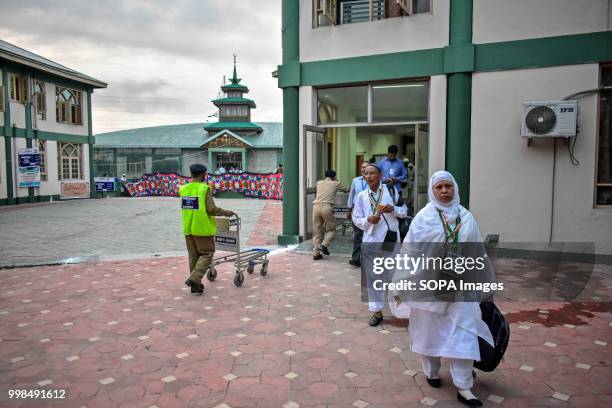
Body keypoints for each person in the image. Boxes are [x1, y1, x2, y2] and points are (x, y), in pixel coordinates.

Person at [389, 170, 494, 407]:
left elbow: (477, 252)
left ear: (455, 189)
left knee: (464, 332)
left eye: (448, 186)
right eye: (439, 187)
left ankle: (465, 387)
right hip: (429, 287)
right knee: (430, 332)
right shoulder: (423, 218)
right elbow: (410, 252)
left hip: (460, 287)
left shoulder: (467, 217)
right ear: (432, 191)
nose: (444, 191)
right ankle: (432, 371)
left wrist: (481, 284)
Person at [352, 164, 407, 326]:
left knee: (394, 274)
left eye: (372, 173)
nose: (369, 176)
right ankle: (377, 312)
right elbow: (356, 218)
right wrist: (367, 220)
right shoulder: (361, 196)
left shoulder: (391, 191)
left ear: (380, 174)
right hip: (371, 240)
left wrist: (393, 209)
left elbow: (404, 211)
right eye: (366, 174)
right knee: (373, 277)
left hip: (390, 239)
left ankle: (401, 306)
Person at [179, 164, 235, 294]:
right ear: (202, 174)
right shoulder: (205, 189)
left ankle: (195, 286)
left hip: (188, 228)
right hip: (202, 228)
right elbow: (211, 209)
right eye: (205, 174)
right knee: (207, 253)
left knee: (193, 257)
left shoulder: (183, 188)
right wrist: (226, 212)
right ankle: (194, 279)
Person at [312, 169, 349, 260]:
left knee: (317, 230)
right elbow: (346, 190)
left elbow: (317, 190)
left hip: (316, 206)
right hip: (327, 207)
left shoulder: (319, 182)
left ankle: (316, 253)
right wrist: (336, 181)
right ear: (334, 176)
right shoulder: (336, 183)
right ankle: (324, 244)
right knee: (331, 229)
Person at [346, 161, 370, 267]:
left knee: (369, 234)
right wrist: (349, 208)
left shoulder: (373, 180)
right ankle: (356, 259)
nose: (363, 169)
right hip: (356, 209)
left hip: (369, 209)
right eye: (362, 167)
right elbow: (351, 195)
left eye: (365, 167)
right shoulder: (355, 181)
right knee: (357, 235)